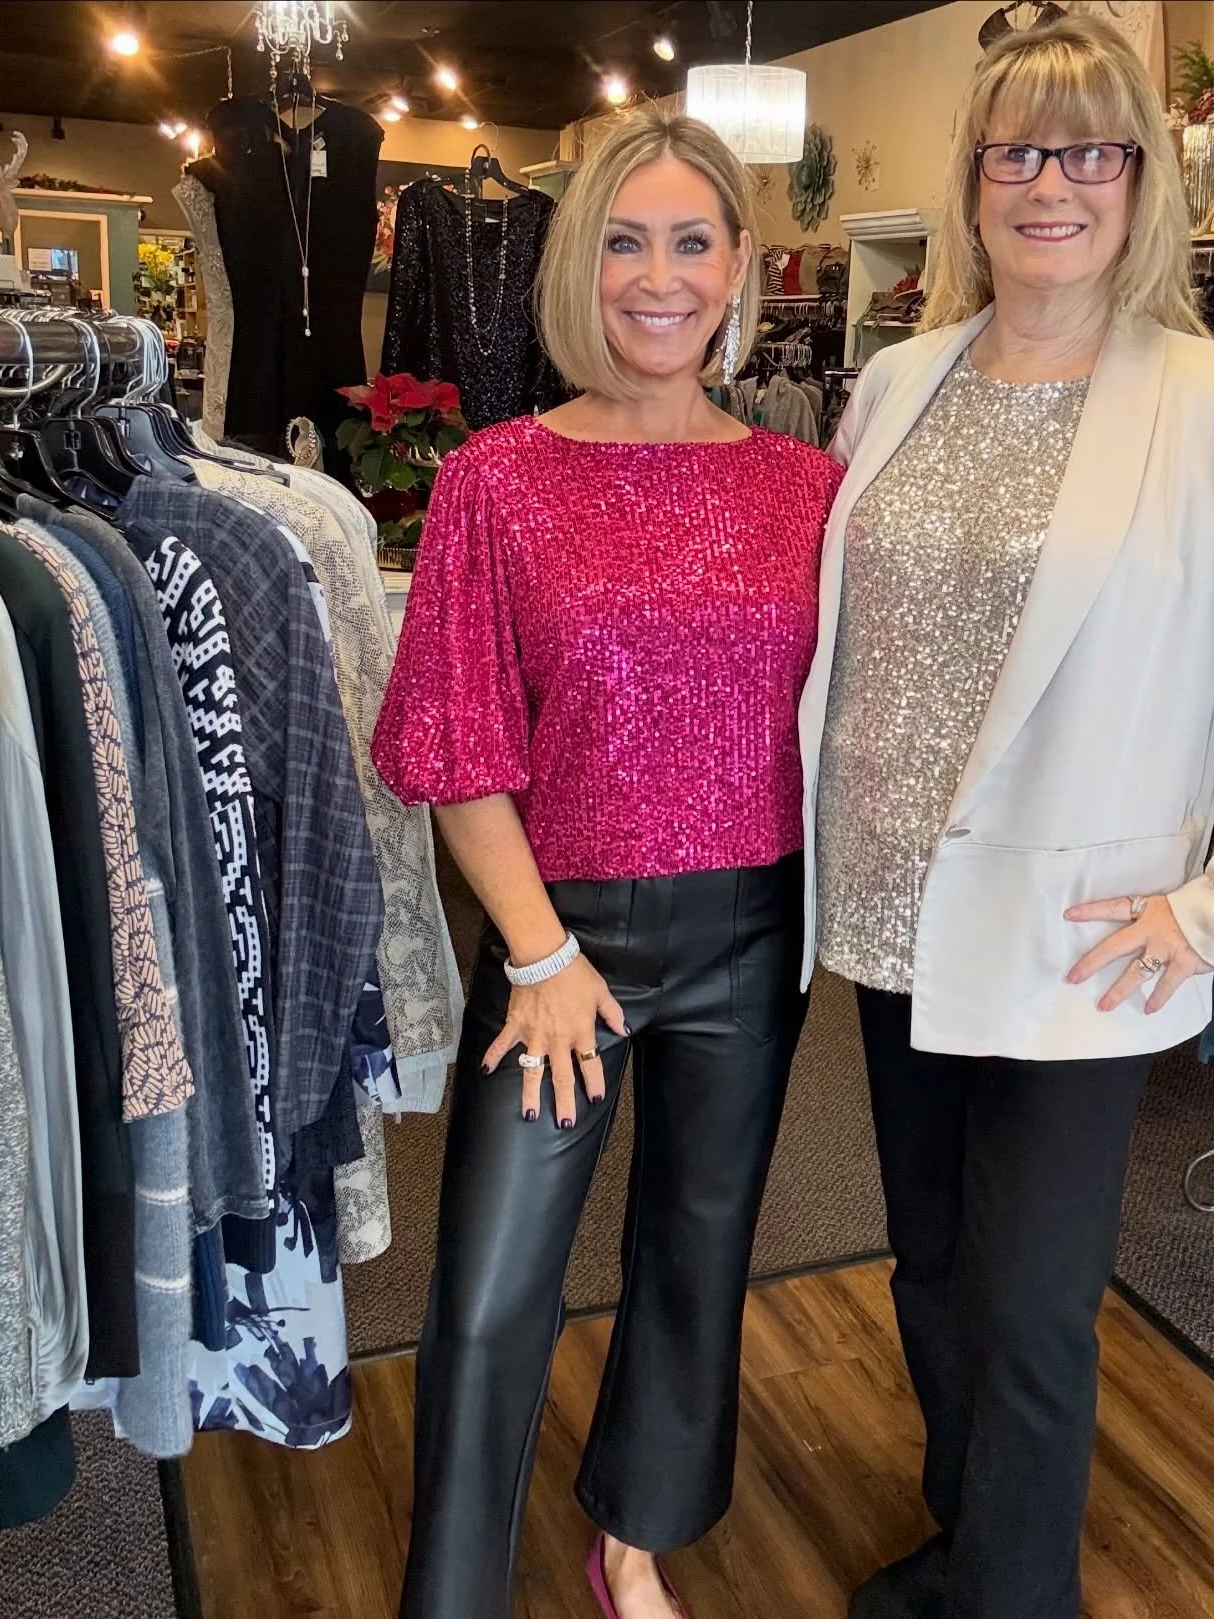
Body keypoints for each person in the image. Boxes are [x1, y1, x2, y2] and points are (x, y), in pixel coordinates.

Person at [801, 16, 1214, 1619]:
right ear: (972, 178)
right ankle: (968, 1544)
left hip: (1082, 934)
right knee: (931, 1265)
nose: (1051, 183)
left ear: (1142, 182)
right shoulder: (899, 378)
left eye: (1090, 149)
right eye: (1017, 148)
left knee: (1028, 1306)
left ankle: (1015, 1596)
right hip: (891, 917)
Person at [372, 107, 841, 1619]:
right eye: (626, 243)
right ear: (580, 265)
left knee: (698, 1256)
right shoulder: (498, 479)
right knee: (492, 1286)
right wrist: (542, 951)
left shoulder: (809, 487)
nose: (659, 278)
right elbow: (454, 744)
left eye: (692, 243)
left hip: (751, 930)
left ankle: (636, 1535)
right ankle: (453, 1591)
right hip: (554, 937)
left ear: (738, 267)